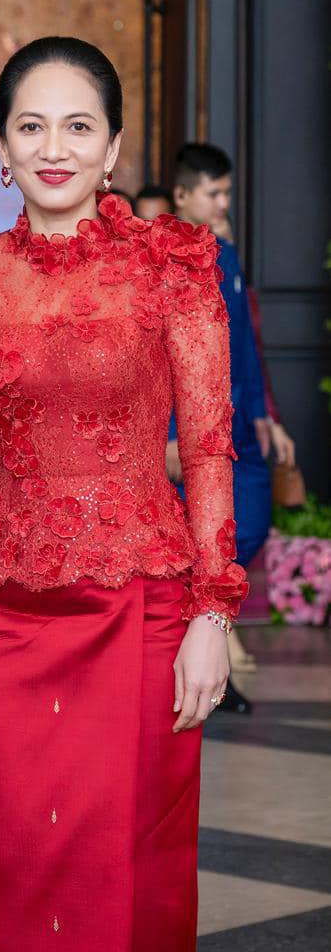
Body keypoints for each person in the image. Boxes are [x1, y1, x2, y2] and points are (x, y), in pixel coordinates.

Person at [0, 37, 246, 952]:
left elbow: (207, 447)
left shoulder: (172, 264)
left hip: (140, 606)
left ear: (112, 146)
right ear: (2, 147)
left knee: (130, 862)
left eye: (77, 127)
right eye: (30, 127)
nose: (53, 148)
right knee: (13, 859)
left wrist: (211, 615)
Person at [170, 143, 293, 705]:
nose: (223, 203)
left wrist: (265, 416)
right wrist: (170, 433)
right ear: (182, 195)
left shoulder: (227, 255)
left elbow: (246, 342)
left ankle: (209, 627)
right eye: (213, 193)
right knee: (196, 538)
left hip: (240, 421)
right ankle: (206, 665)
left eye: (226, 193)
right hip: (192, 426)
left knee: (251, 525)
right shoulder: (165, 258)